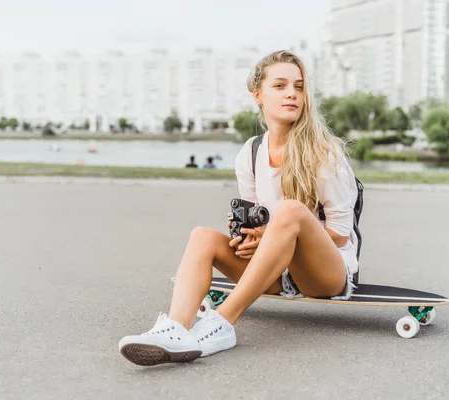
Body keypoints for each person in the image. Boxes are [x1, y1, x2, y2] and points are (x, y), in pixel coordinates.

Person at [118, 50, 360, 366]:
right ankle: (175, 329)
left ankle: (223, 323)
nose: (292, 93)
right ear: (258, 95)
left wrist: (275, 236)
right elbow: (255, 221)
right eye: (281, 85)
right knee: (202, 236)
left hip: (325, 274)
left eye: (299, 87)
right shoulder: (251, 152)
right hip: (275, 267)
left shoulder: (324, 152)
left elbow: (340, 236)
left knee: (289, 211)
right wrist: (249, 239)